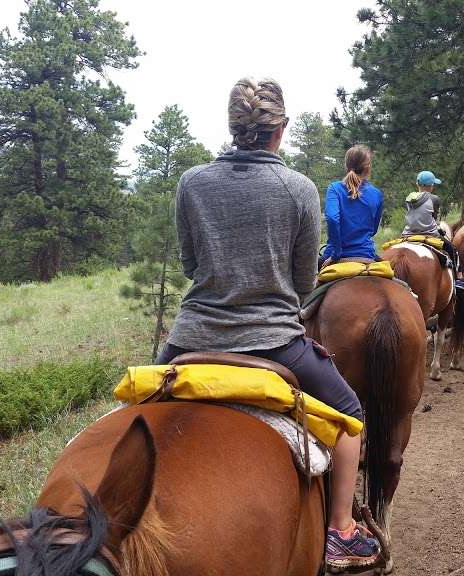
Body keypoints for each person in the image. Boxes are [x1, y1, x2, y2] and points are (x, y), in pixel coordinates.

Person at [154, 77, 379, 570]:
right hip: (275, 343)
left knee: (141, 407)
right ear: (281, 130)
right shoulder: (297, 188)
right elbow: (303, 282)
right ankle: (341, 529)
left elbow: (191, 264)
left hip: (188, 339)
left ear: (233, 127)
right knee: (350, 415)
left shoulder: (192, 182)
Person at [402, 170, 464, 289]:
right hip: (429, 233)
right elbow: (433, 217)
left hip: (409, 233)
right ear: (431, 186)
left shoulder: (409, 198)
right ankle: (459, 277)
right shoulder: (434, 199)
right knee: (453, 250)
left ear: (417, 184)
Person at [320, 145, 383, 267]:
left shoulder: (334, 188)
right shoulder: (376, 194)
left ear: (346, 165)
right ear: (368, 167)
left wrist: (336, 253)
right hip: (366, 254)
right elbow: (373, 229)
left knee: (306, 283)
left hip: (336, 255)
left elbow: (332, 219)